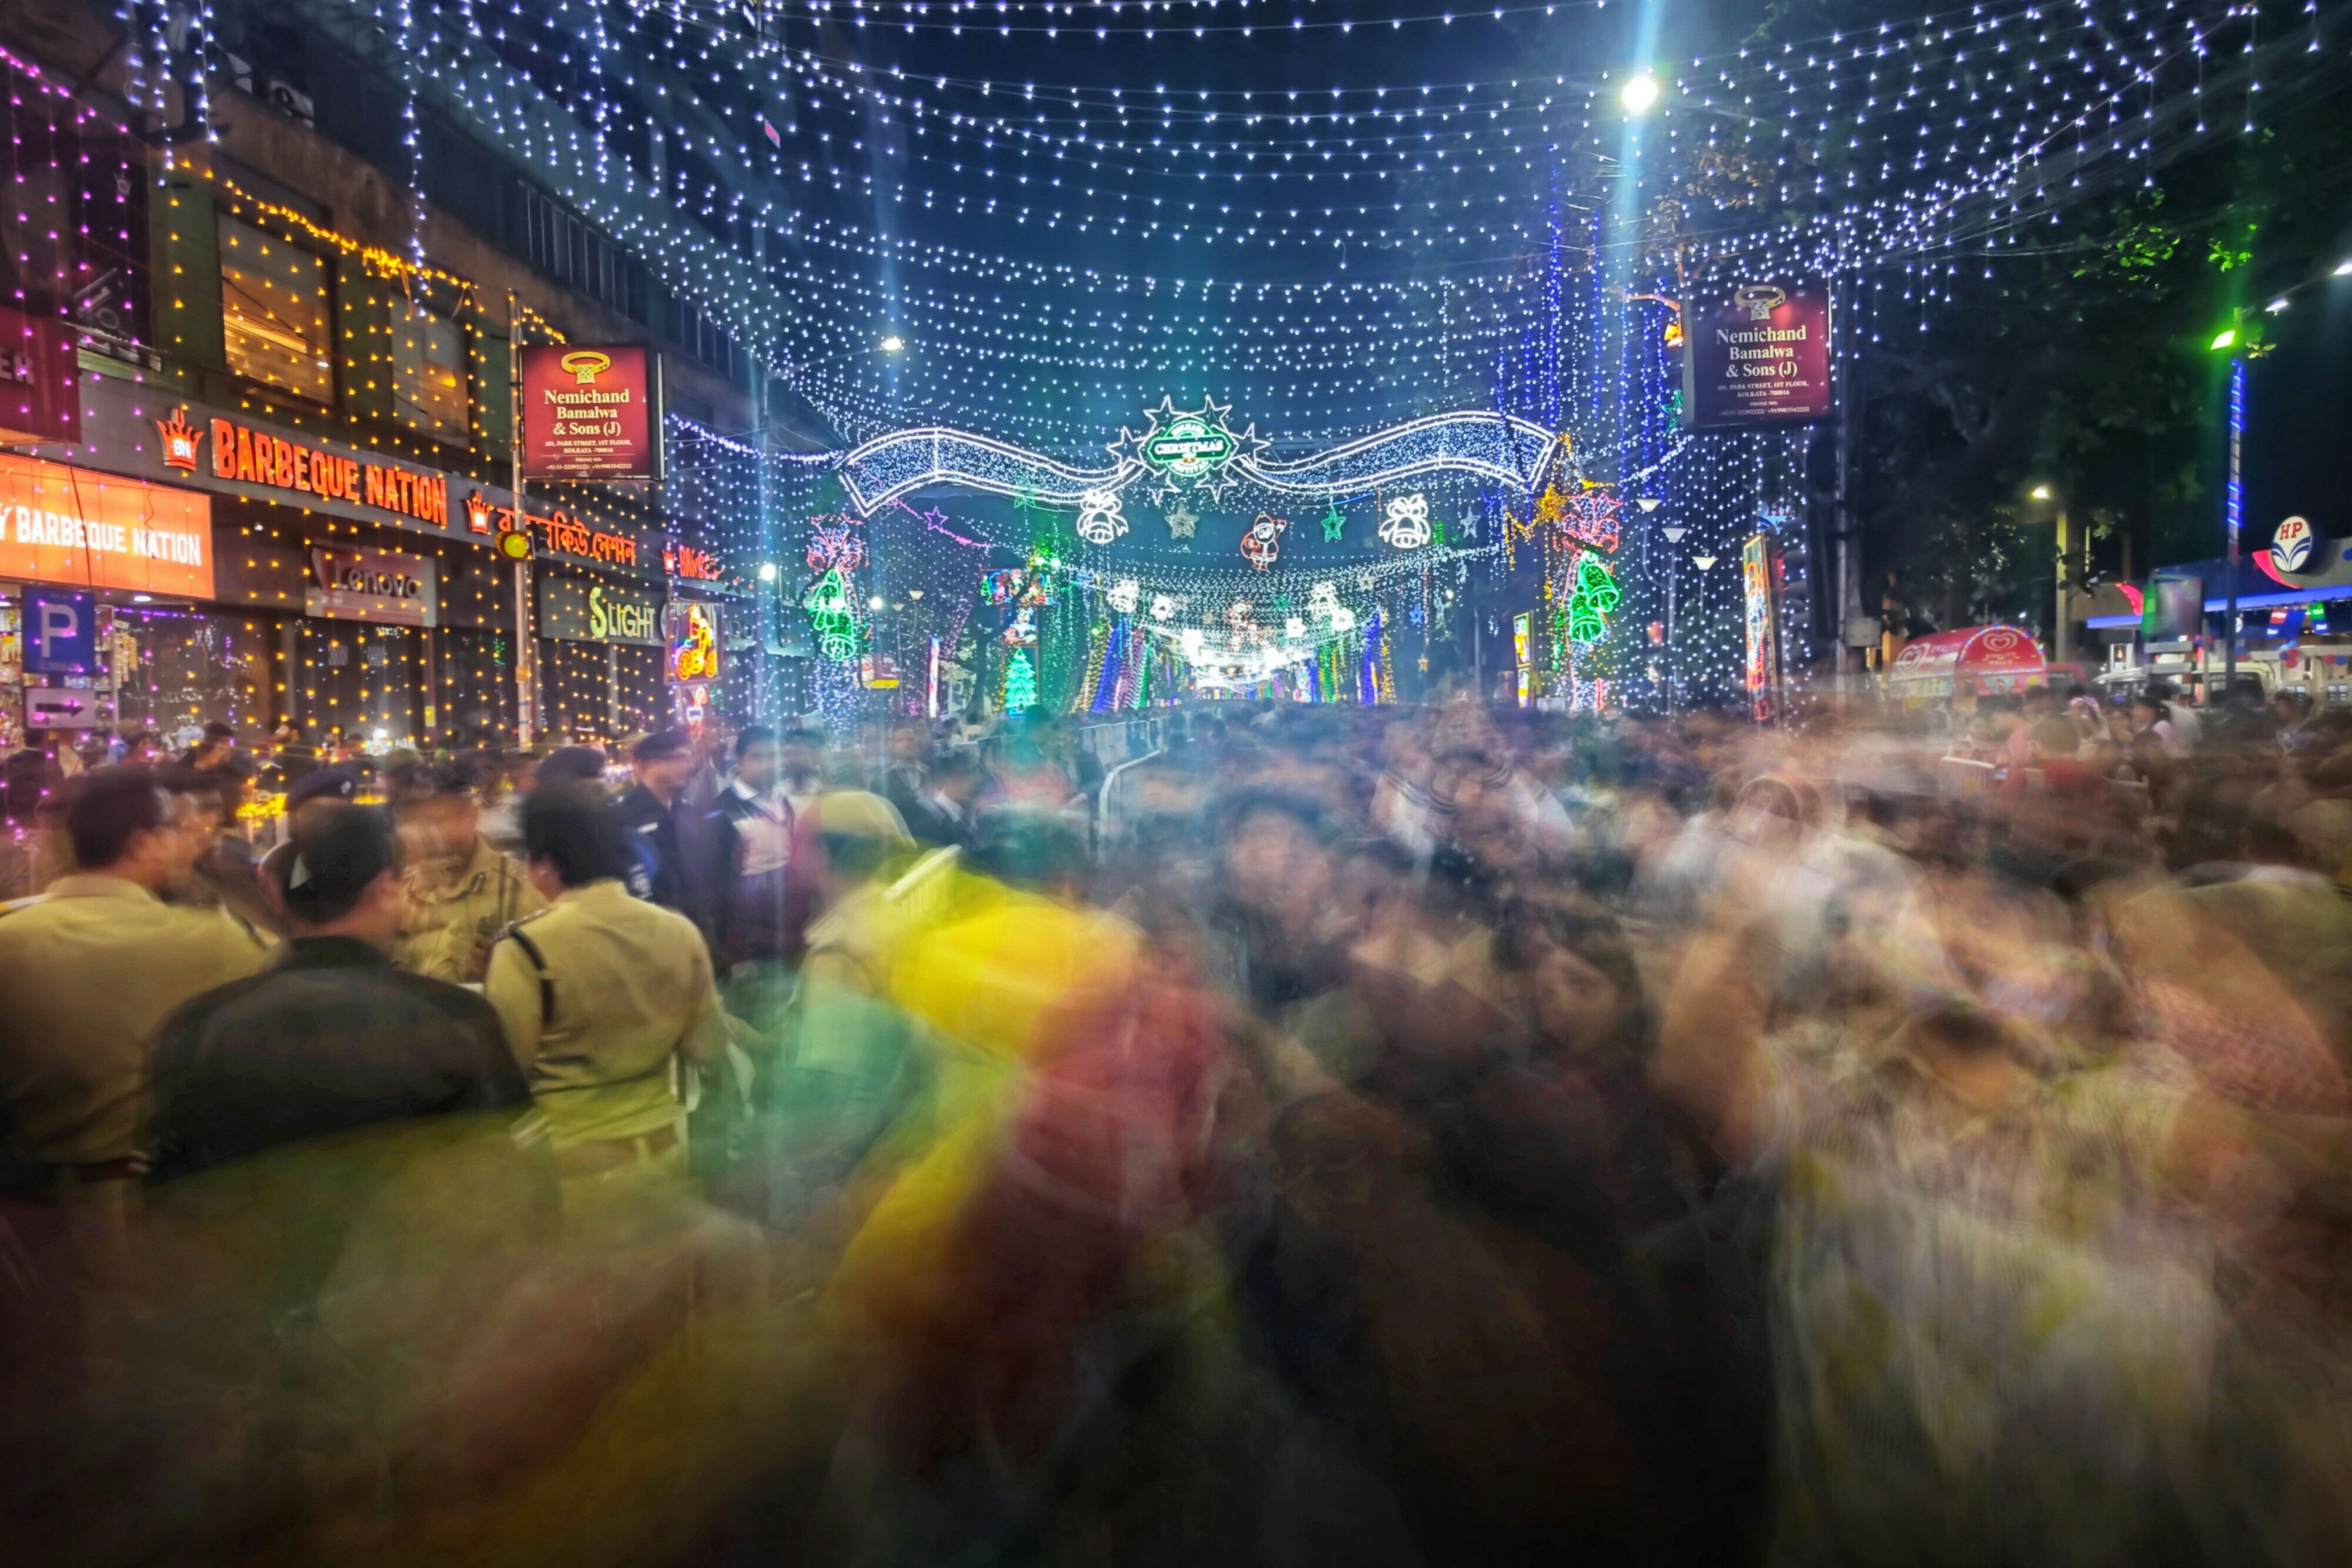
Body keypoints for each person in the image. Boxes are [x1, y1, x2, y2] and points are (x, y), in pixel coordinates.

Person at [145, 803, 529, 1181]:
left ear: (277, 895)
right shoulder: (457, 1018)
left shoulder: (196, 1025)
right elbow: (507, 1178)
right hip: (411, 1238)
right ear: (384, 890)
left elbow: (167, 1188)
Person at [0, 769, 270, 1215]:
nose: (187, 844)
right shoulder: (208, 940)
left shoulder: (10, 941)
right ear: (143, 842)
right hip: (177, 1208)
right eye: (175, 831)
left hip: (35, 1220)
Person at [483, 784, 726, 1209]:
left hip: (574, 1168)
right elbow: (708, 1046)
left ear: (544, 864)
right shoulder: (678, 930)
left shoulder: (525, 950)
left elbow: (506, 1071)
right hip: (666, 1149)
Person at [388, 756, 548, 984]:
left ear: (471, 816)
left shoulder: (522, 891)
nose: (427, 834)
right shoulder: (395, 894)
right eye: (416, 823)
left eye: (438, 821)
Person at [706, 726, 796, 969]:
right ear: (739, 760)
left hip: (789, 927)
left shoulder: (784, 800)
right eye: (757, 757)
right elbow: (718, 882)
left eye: (772, 756)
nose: (767, 764)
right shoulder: (722, 810)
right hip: (748, 939)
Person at [614, 730, 705, 920]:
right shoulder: (623, 815)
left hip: (692, 921)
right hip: (651, 926)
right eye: (681, 758)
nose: (690, 766)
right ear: (654, 764)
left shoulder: (686, 809)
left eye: (690, 759)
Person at [899, 748, 982, 850]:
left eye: (973, 773)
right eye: (964, 774)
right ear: (943, 780)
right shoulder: (929, 825)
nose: (974, 780)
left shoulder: (965, 814)